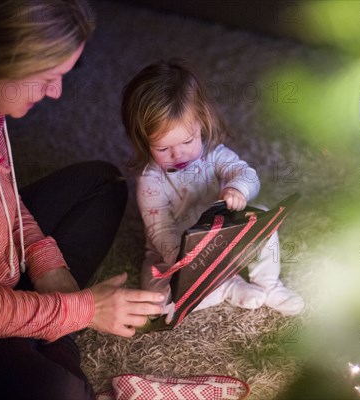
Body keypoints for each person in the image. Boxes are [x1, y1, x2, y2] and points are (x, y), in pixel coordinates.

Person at [0, 1, 164, 399]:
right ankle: (55, 347)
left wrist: (46, 261)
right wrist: (86, 310)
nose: (56, 93)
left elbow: (2, 198)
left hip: (1, 262)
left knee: (103, 183)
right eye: (48, 77)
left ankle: (43, 329)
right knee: (59, 389)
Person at [121, 58, 305, 317]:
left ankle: (269, 285)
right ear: (142, 142)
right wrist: (184, 258)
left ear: (202, 123)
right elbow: (160, 228)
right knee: (158, 306)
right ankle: (226, 287)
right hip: (176, 254)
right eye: (163, 148)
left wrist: (237, 189)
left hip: (224, 235)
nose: (178, 153)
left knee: (263, 217)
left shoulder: (213, 154)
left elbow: (245, 173)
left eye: (187, 140)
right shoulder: (150, 179)